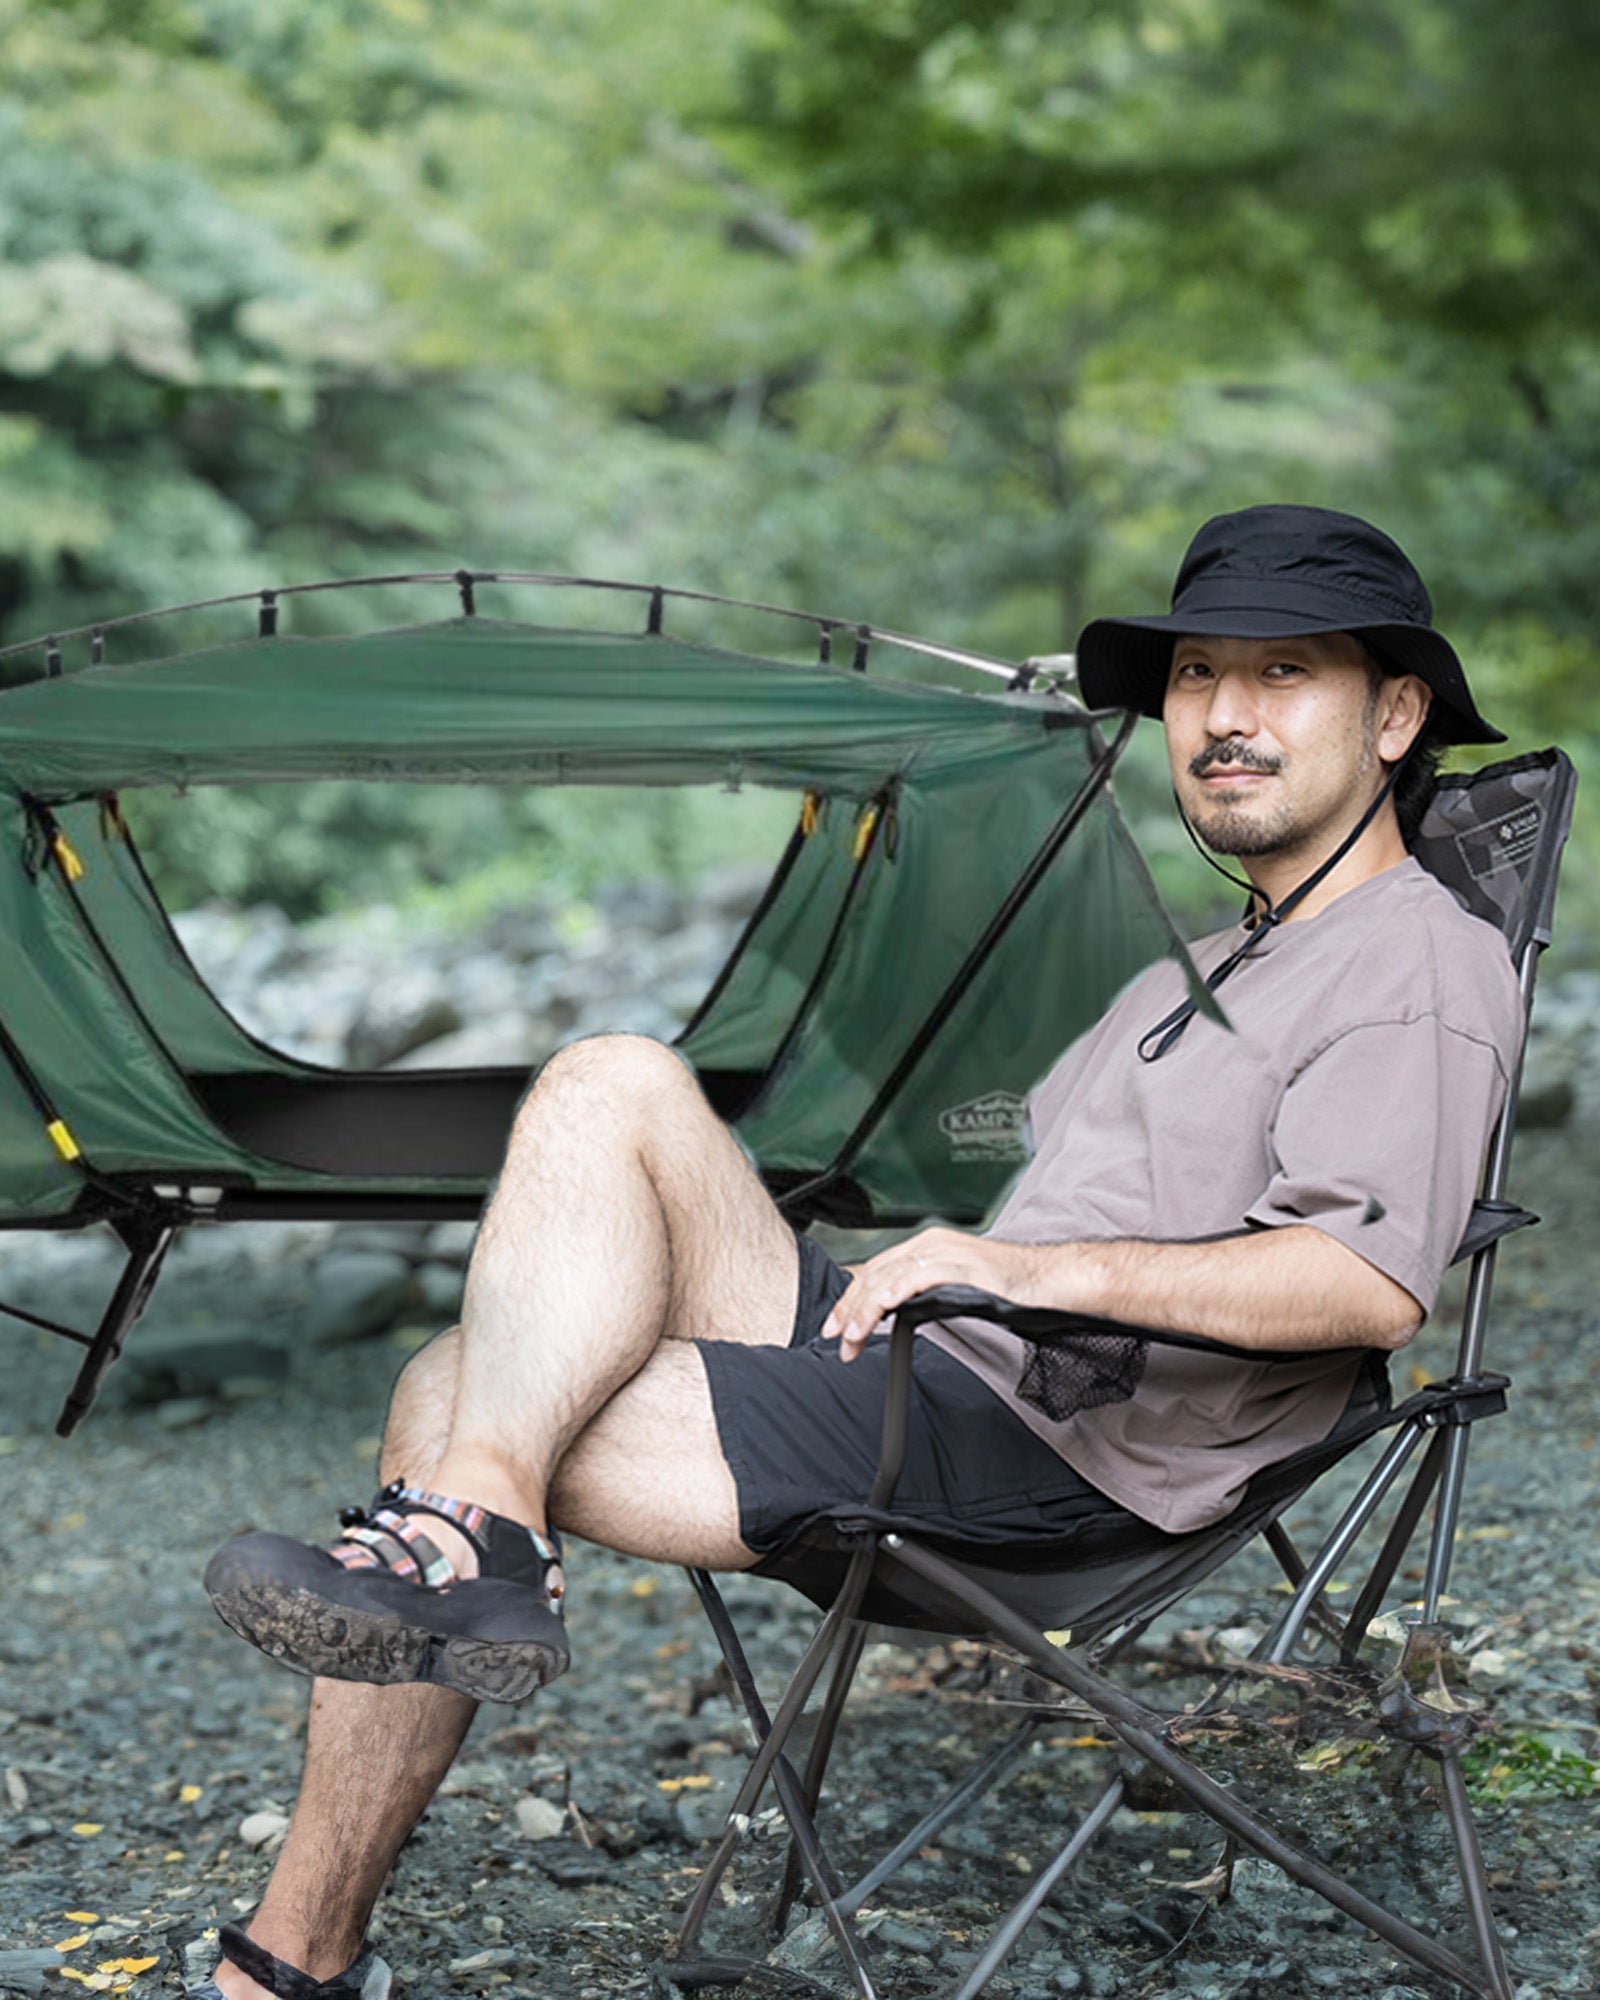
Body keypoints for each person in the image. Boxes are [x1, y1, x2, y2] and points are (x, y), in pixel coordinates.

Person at [187, 504, 1523, 2000]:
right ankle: (479, 1534)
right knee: (612, 1080)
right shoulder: (1207, 966)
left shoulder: (1416, 961)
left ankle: (295, 1954)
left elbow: (1362, 1282)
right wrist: (979, 1256)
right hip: (957, 1362)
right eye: (1198, 675)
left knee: (455, 1392)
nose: (1222, 716)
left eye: (1284, 674)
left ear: (1394, 716)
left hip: (1059, 1454)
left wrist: (1023, 1273)